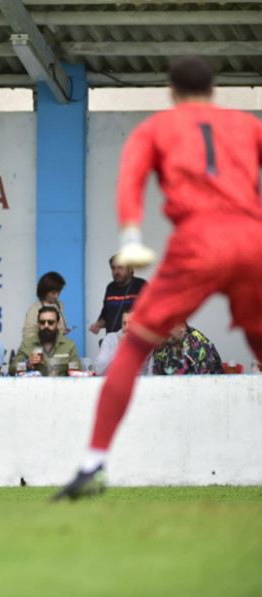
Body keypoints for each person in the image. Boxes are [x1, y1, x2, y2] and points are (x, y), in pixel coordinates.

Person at [55, 57, 262, 500]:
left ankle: (93, 462)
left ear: (171, 91)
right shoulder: (247, 126)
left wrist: (131, 236)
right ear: (215, 88)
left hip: (198, 243)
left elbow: (130, 182)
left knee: (133, 349)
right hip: (251, 241)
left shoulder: (156, 129)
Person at [9, 306, 81, 376]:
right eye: (42, 322)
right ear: (38, 324)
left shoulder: (69, 345)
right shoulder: (27, 344)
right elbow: (11, 370)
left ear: (58, 324)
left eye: (50, 322)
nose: (46, 325)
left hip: (60, 387)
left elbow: (78, 372)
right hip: (34, 387)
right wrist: (27, 364)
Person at [88, 255, 148, 337]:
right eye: (113, 268)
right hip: (112, 342)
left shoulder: (141, 285)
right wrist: (98, 325)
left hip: (135, 340)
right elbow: (105, 316)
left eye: (120, 267)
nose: (116, 271)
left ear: (130, 269)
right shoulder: (110, 288)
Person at [151, 322, 223, 376]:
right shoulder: (162, 343)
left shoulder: (198, 345)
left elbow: (204, 386)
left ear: (182, 326)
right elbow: (157, 377)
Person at [94, 309, 150, 376]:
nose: (127, 327)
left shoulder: (147, 340)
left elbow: (151, 374)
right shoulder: (110, 339)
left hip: (140, 383)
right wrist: (119, 349)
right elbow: (99, 370)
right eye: (124, 323)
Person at [21, 271, 69, 340]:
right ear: (44, 291)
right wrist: (48, 338)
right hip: (40, 349)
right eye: (53, 293)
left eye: (59, 291)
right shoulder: (35, 309)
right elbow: (27, 336)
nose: (57, 296)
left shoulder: (60, 305)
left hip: (58, 347)